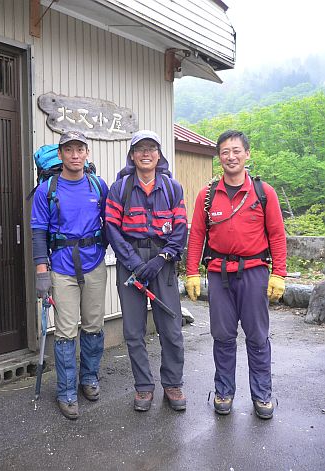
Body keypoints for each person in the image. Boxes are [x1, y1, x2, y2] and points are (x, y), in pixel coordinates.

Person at [186, 130, 286, 419]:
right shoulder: (207, 196)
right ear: (219, 157)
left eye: (236, 151)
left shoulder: (263, 193)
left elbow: (277, 235)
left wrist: (279, 273)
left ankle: (262, 395)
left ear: (247, 154)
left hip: (254, 273)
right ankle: (224, 391)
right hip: (219, 275)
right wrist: (192, 271)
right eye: (225, 152)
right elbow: (197, 237)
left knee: (257, 337)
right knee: (223, 336)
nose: (231, 156)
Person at [105, 130, 188, 412]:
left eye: (151, 148)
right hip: (131, 261)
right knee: (133, 330)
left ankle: (173, 384)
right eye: (140, 149)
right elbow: (112, 229)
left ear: (159, 154)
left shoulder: (172, 188)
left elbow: (180, 230)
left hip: (163, 263)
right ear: (132, 155)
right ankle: (143, 387)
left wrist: (163, 257)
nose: (146, 153)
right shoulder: (121, 188)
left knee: (171, 327)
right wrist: (135, 262)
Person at [31, 131, 108, 420]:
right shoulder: (47, 190)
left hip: (95, 264)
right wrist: (42, 271)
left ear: (87, 153)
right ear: (61, 154)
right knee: (65, 331)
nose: (75, 155)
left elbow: (110, 222)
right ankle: (65, 392)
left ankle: (89, 379)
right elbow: (38, 231)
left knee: (93, 325)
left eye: (80, 149)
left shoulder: (98, 186)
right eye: (69, 150)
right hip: (61, 269)